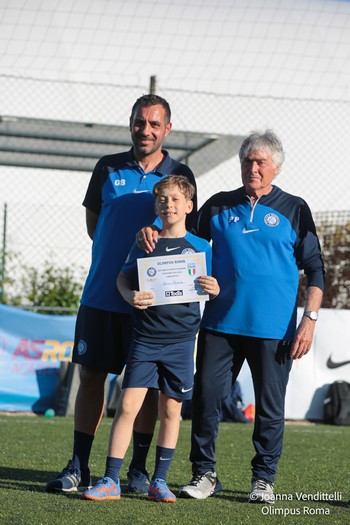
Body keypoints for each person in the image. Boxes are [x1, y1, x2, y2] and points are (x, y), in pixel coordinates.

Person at [139, 130, 325, 504]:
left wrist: (310, 319)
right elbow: (181, 239)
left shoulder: (295, 208)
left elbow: (316, 269)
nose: (252, 168)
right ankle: (204, 474)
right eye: (246, 161)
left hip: (275, 330)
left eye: (260, 162)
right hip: (219, 324)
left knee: (270, 407)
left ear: (275, 167)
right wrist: (153, 231)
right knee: (207, 400)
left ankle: (263, 479)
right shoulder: (218, 205)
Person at [45, 95, 197, 494]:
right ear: (130, 123)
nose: (145, 130)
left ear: (167, 129)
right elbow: (95, 226)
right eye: (139, 122)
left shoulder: (180, 173)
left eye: (153, 124)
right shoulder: (107, 167)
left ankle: (138, 470)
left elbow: (181, 232)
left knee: (143, 387)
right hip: (101, 293)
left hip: (150, 303)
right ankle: (79, 467)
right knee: (91, 374)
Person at [82, 175, 219, 502]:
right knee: (127, 406)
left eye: (175, 199)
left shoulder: (201, 248)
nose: (168, 205)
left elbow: (211, 287)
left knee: (171, 411)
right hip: (144, 338)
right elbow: (122, 278)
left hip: (182, 342)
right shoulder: (146, 241)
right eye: (162, 199)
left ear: (188, 206)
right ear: (155, 205)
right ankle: (111, 480)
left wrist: (214, 290)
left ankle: (159, 481)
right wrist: (130, 297)